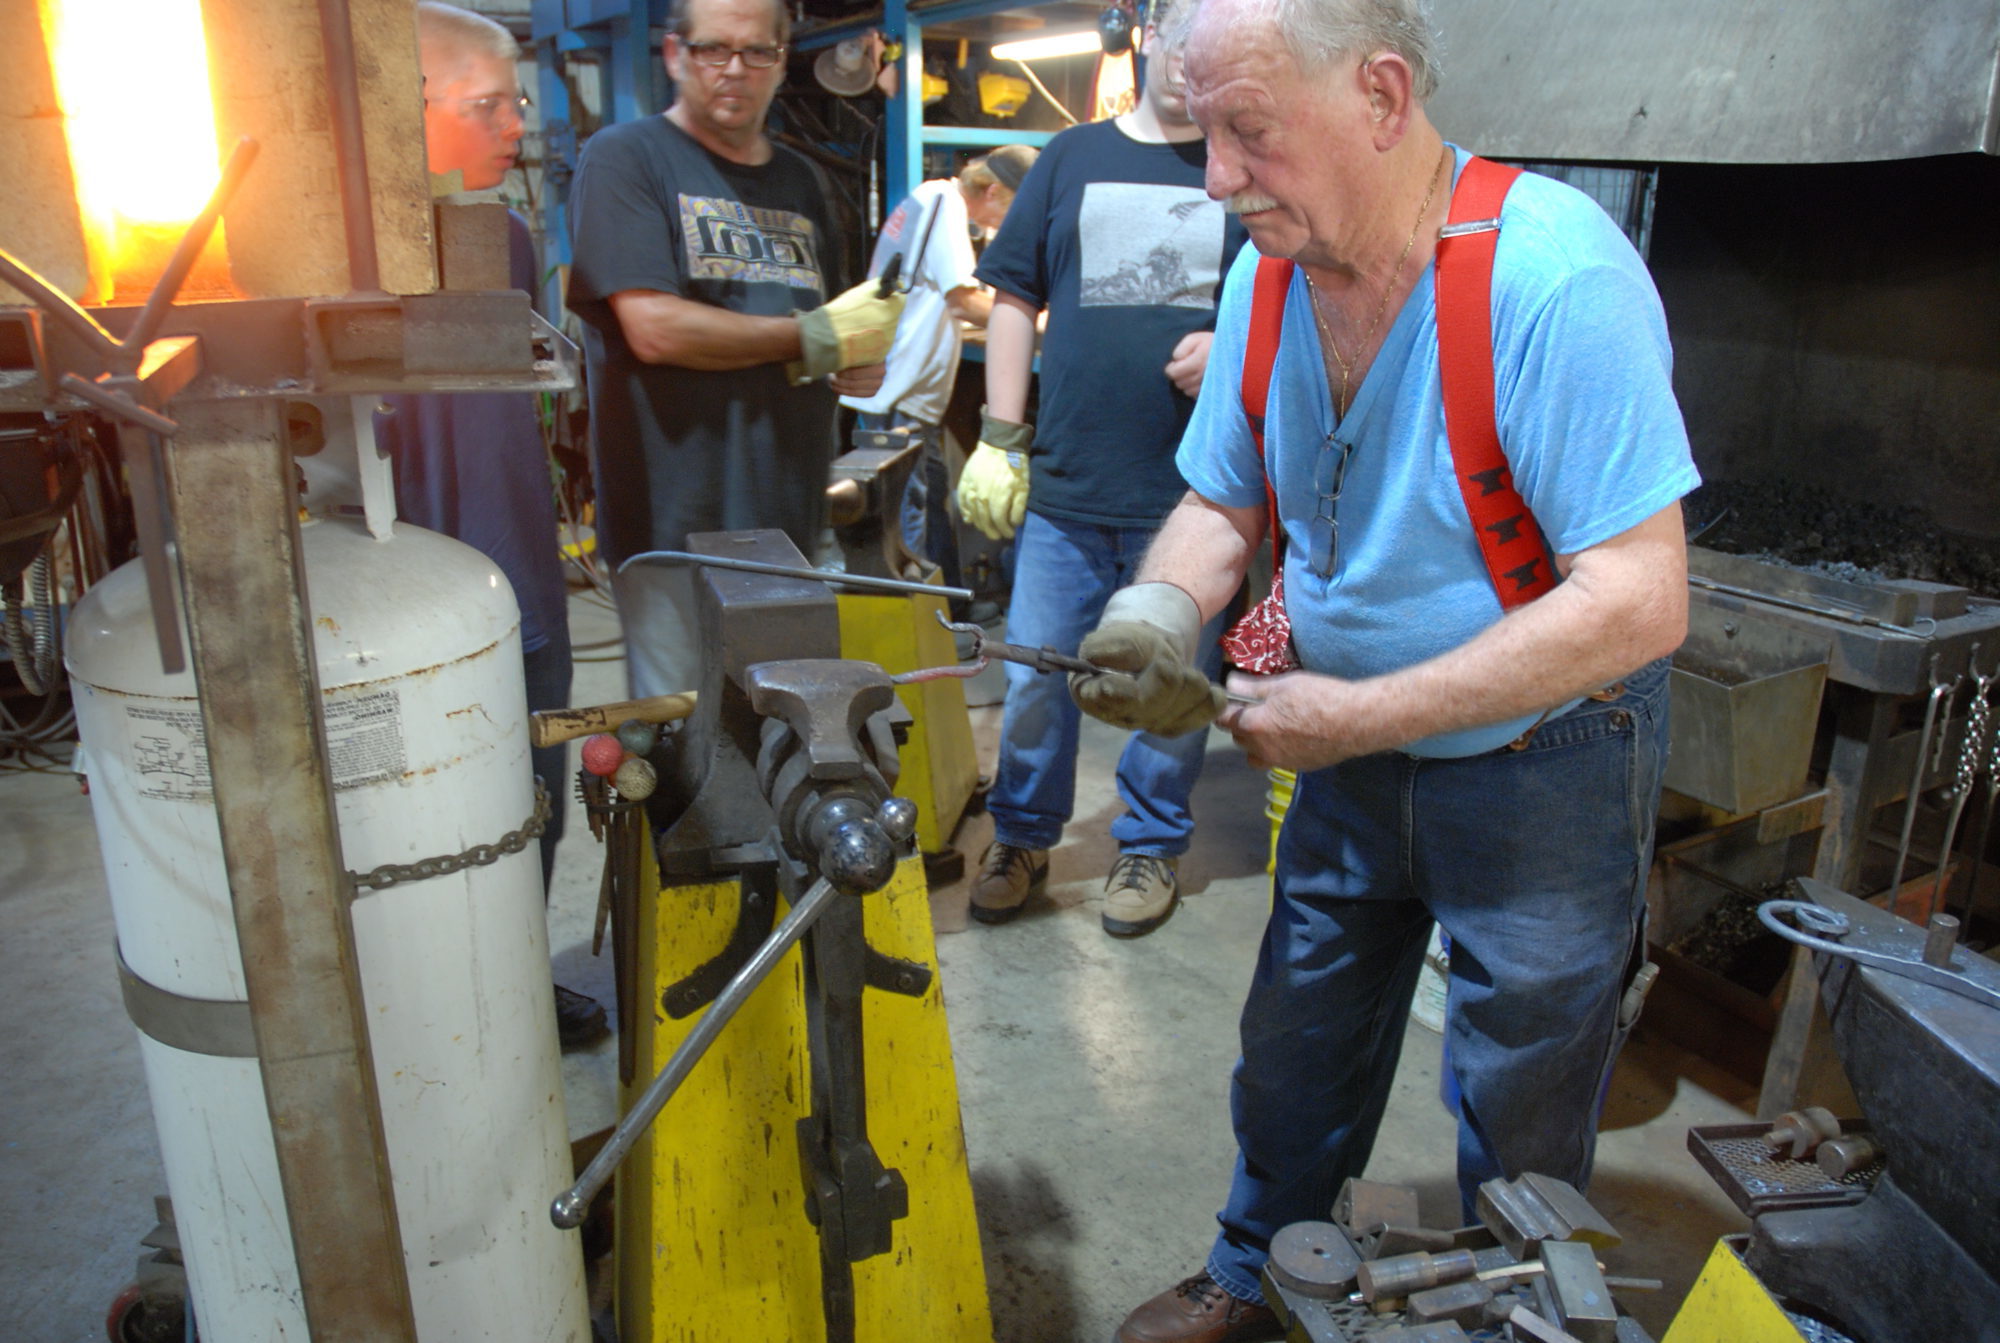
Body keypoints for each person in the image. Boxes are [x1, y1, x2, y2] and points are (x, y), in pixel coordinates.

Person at [1070, 0, 1700, 1336]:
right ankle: (1258, 1264)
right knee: (1298, 1041)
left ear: (1380, 95)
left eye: (1249, 132)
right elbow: (1224, 498)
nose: (1217, 179)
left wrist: (1356, 711)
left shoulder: (1551, 277)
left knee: (1521, 1087)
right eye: (1203, 134)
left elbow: (1641, 599)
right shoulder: (1268, 277)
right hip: (1347, 749)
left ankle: (1513, 1308)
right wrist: (1154, 608)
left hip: (1545, 758)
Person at [956, 2, 1248, 936]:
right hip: (1070, 487)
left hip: (1193, 498)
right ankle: (1020, 836)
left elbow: (1297, 300)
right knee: (1039, 677)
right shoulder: (1071, 157)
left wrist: (1234, 349)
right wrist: (1000, 437)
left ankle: (1151, 844)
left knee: (1168, 682)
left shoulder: (1242, 166)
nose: (1191, 61)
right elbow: (1014, 297)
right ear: (1146, 34)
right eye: (1180, 36)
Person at [374, 2, 606, 1050]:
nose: (516, 125)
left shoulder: (503, 238)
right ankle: (429, 1009)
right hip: (401, 591)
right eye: (486, 105)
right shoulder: (335, 258)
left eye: (516, 102)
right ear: (401, 105)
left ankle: (513, 982)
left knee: (529, 800)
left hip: (519, 576)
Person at [566, 0, 899, 701]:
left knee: (785, 723)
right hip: (672, 527)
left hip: (788, 523)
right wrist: (810, 339)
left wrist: (852, 356)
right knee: (682, 735)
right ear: (674, 54)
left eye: (757, 52)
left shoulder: (803, 183)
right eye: (713, 49)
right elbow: (655, 329)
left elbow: (821, 325)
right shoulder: (626, 159)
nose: (734, 70)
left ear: (781, 62)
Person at [841, 145, 1039, 594]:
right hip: (899, 386)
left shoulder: (930, 199)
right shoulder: (944, 202)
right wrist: (1048, 320)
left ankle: (948, 602)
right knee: (905, 513)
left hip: (900, 385)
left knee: (927, 500)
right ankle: (914, 611)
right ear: (992, 191)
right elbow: (963, 301)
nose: (1007, 224)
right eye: (1012, 210)